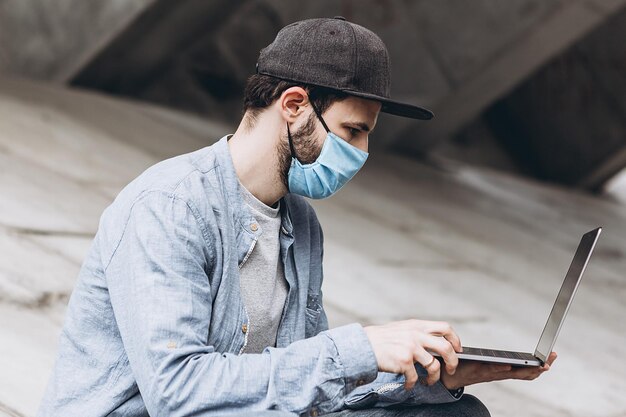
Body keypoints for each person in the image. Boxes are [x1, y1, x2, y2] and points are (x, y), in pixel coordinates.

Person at [38, 17, 556, 417]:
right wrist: (358, 346)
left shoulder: (299, 225)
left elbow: (306, 386)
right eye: (353, 131)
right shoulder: (171, 207)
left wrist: (432, 377)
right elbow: (177, 393)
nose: (362, 151)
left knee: (453, 412)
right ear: (293, 105)